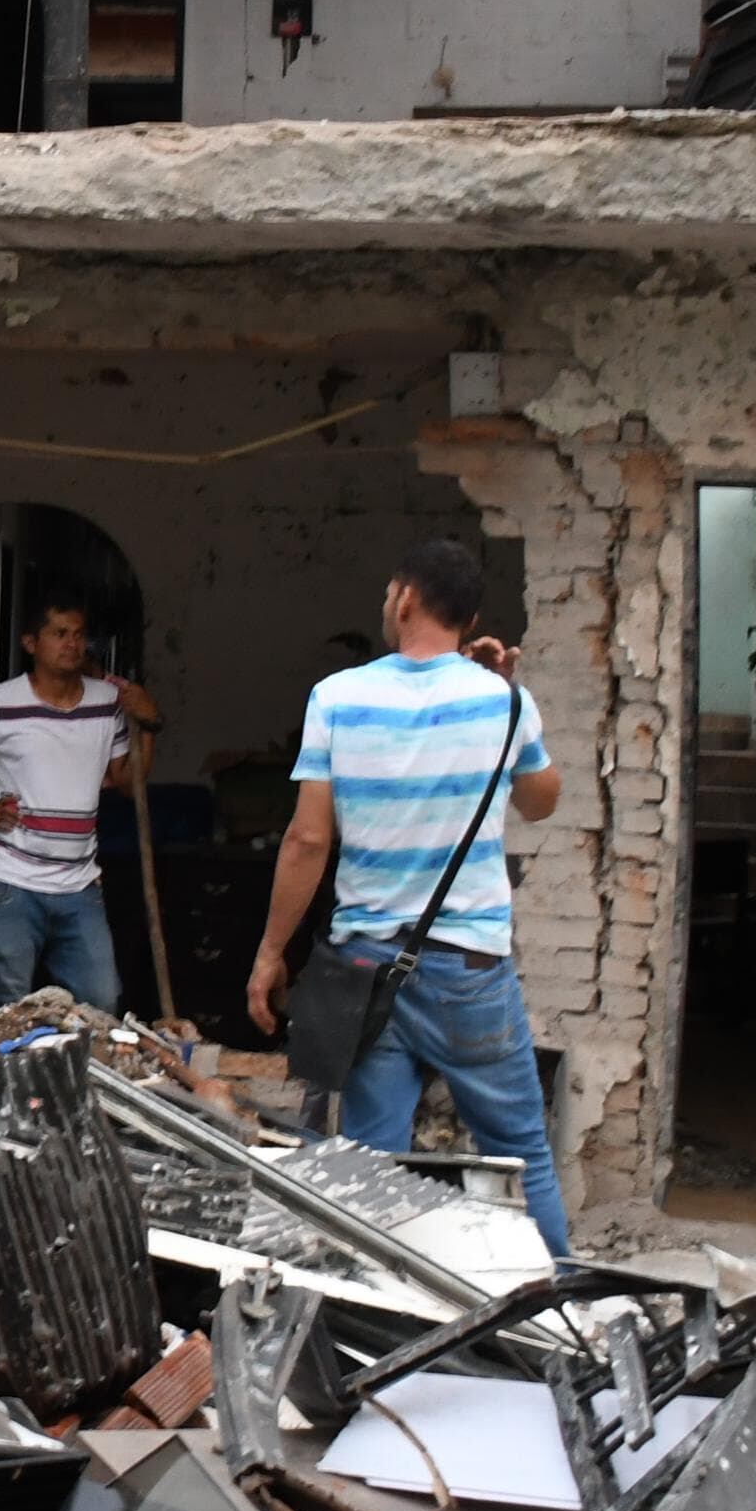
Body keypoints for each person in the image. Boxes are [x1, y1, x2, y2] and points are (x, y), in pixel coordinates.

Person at [246, 538, 571, 1255]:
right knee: (522, 1152)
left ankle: (381, 1313)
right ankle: (567, 1312)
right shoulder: (505, 700)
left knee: (371, 1162)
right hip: (473, 974)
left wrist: (271, 951)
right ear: (470, 615)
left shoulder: (336, 697)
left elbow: (306, 841)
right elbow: (543, 802)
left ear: (405, 599)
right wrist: (509, 702)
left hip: (369, 973)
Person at [0, 584, 160, 1014]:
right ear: (31, 643)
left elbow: (126, 781)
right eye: (59, 633)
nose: (72, 644)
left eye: (79, 635)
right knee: (10, 1008)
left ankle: (73, 1082)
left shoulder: (107, 703)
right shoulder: (1, 703)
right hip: (11, 882)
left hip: (80, 884)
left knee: (101, 1000)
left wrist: (150, 723)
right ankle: (12, 1082)